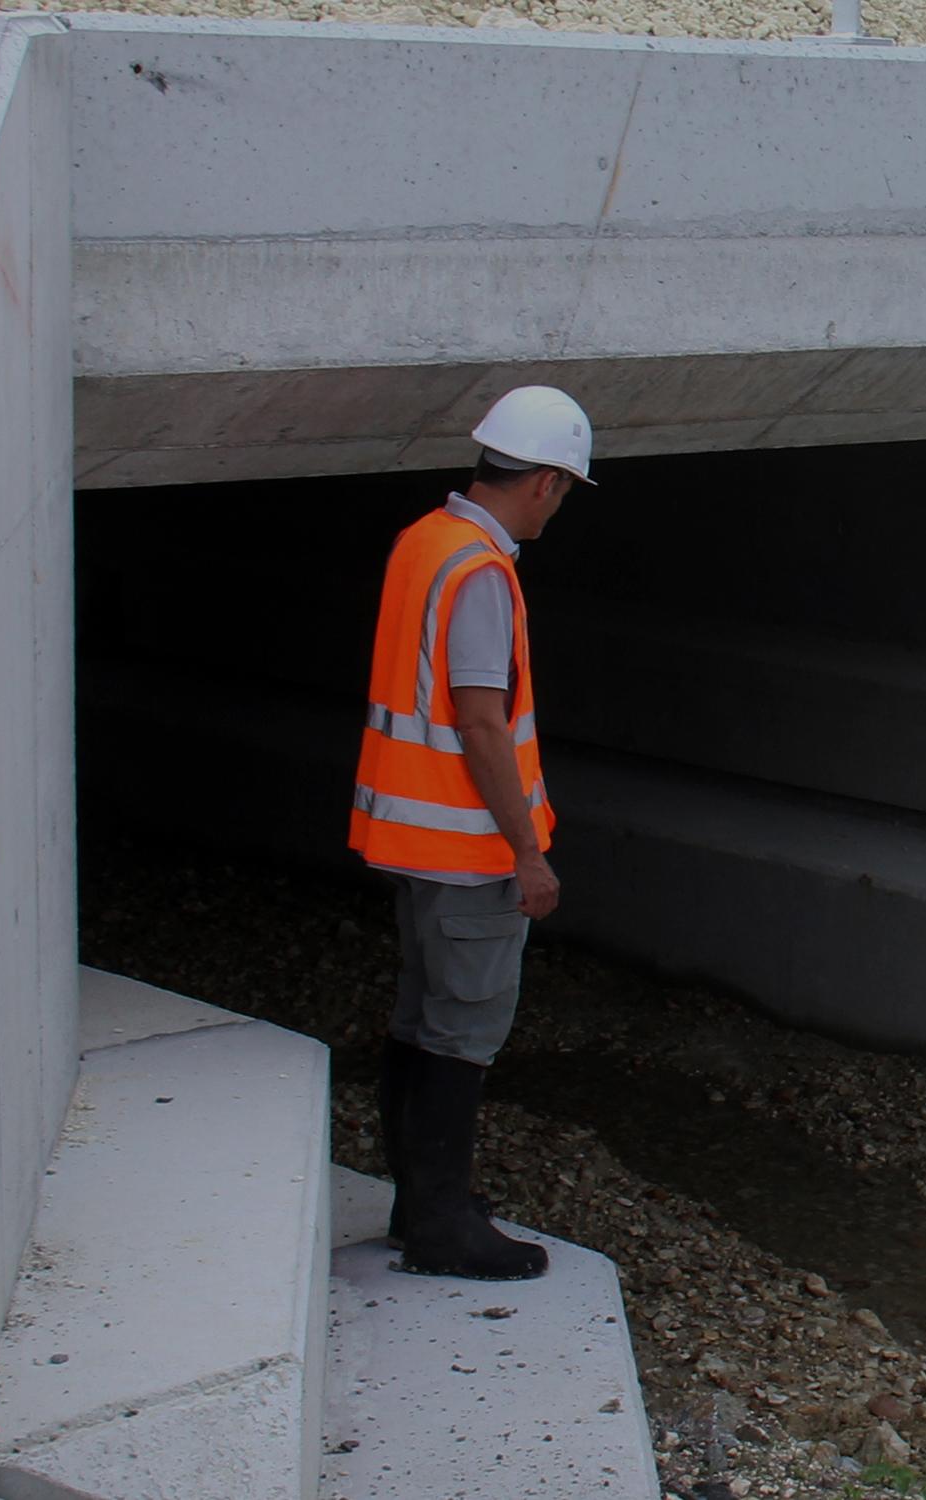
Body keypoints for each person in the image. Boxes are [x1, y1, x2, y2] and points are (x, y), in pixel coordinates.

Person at [345, 385, 594, 1281]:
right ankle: (441, 1227)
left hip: (410, 835)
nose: (556, 507)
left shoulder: (425, 543)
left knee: (419, 1020)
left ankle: (422, 1203)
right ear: (544, 484)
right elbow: (482, 721)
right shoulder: (483, 574)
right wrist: (528, 854)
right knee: (462, 1032)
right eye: (563, 489)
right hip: (466, 848)